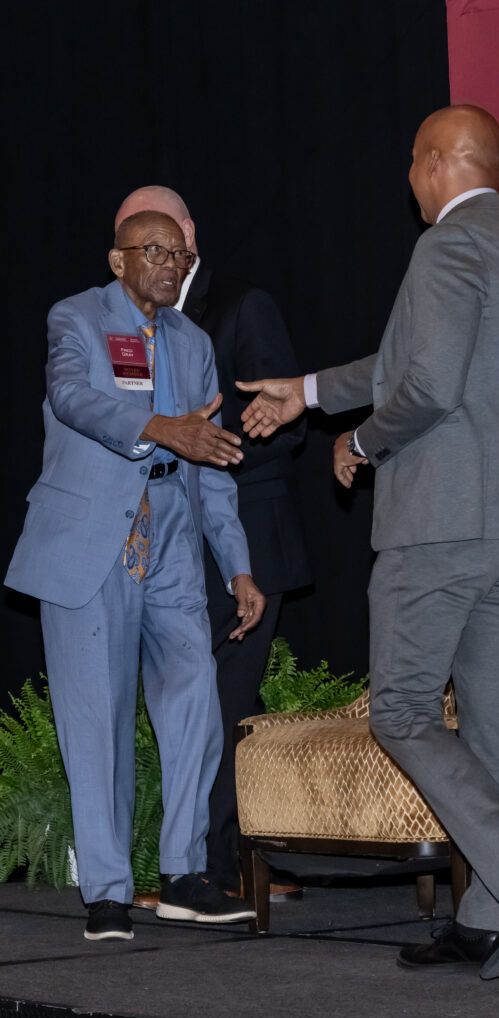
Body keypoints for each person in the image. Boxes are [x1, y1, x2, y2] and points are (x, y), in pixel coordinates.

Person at [235, 105, 499, 980]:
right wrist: (306, 391)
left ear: (438, 161)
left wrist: (358, 444)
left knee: (399, 710)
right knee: (492, 715)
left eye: (412, 163)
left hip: (442, 523)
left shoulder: (444, 248)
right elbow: (405, 364)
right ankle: (484, 915)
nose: (407, 181)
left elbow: (423, 387)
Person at [5, 210, 266, 941]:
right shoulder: (77, 318)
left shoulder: (194, 342)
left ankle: (184, 875)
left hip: (174, 543)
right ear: (118, 260)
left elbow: (213, 465)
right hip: (95, 540)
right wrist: (157, 426)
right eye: (153, 250)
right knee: (99, 720)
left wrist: (239, 568)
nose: (168, 264)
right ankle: (109, 894)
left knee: (194, 706)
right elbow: (71, 397)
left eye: (179, 255)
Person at [114, 187, 312, 900]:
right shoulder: (131, 324)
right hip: (168, 547)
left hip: (245, 543)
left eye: (155, 243)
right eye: (131, 246)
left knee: (224, 708)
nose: (142, 258)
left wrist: (204, 445)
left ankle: (215, 869)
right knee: (189, 705)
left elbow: (284, 428)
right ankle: (204, 862)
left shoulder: (241, 305)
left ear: (186, 235)